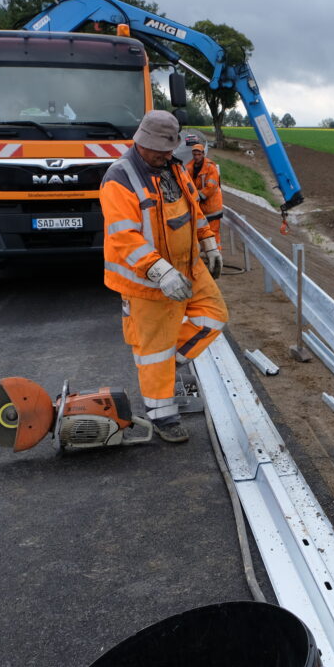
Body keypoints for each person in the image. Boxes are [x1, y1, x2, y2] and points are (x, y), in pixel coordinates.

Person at [100, 110, 227, 443]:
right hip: (147, 281)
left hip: (188, 267)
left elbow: (193, 209)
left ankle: (165, 365)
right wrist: (160, 271)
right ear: (141, 142)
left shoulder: (172, 168)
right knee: (154, 350)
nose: (166, 154)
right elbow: (124, 236)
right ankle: (163, 417)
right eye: (160, 148)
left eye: (170, 148)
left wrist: (209, 243)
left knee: (214, 317)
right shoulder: (120, 178)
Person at [189, 142, 224, 271]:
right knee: (200, 233)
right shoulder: (189, 167)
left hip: (212, 208)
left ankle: (218, 259)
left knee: (213, 233)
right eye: (195, 154)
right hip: (200, 208)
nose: (196, 156)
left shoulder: (210, 168)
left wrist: (198, 196)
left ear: (203, 154)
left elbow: (211, 186)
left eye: (199, 154)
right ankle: (206, 257)